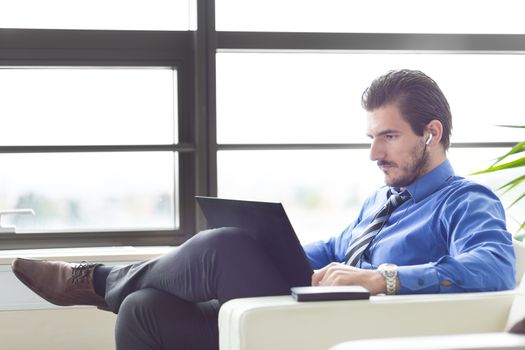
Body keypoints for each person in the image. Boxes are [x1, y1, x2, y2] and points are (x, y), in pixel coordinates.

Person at [12, 69, 516, 349]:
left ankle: (96, 281)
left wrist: (381, 278)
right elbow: (334, 249)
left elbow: (495, 268)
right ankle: (116, 287)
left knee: (223, 247)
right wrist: (274, 247)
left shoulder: (467, 201)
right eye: (371, 137)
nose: (374, 154)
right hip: (310, 315)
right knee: (146, 312)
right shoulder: (382, 201)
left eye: (389, 136)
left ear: (432, 134)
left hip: (354, 329)